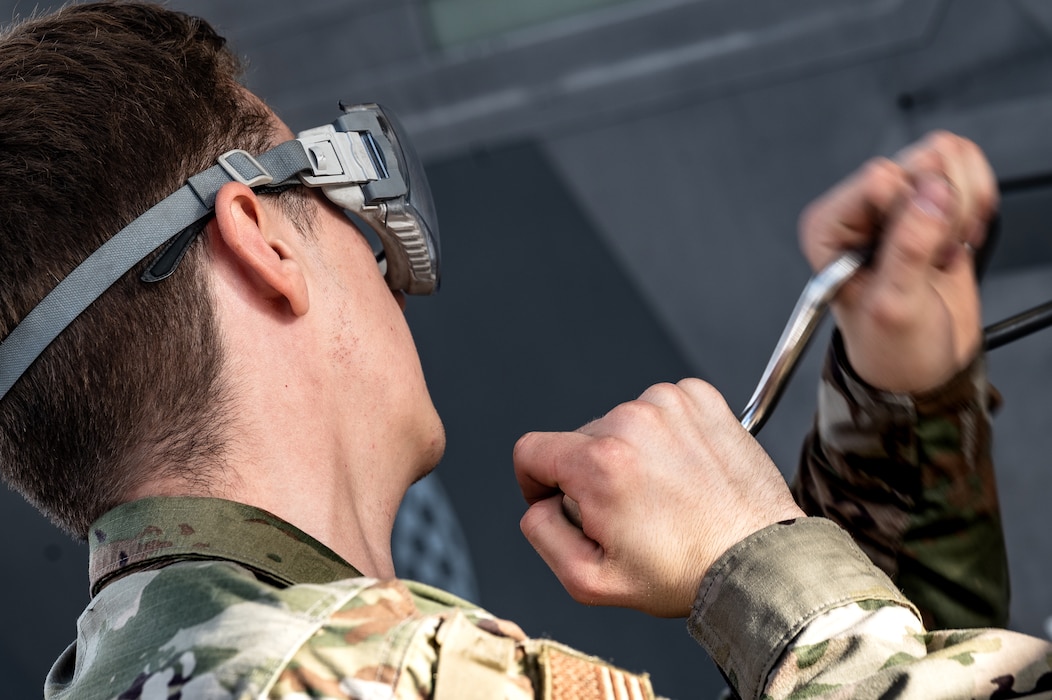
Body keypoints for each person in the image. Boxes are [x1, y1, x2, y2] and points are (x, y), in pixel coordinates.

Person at [0, 3, 1039, 699]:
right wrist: (751, 557)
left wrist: (900, 415)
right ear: (262, 238)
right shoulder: (374, 674)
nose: (374, 246)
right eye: (335, 190)